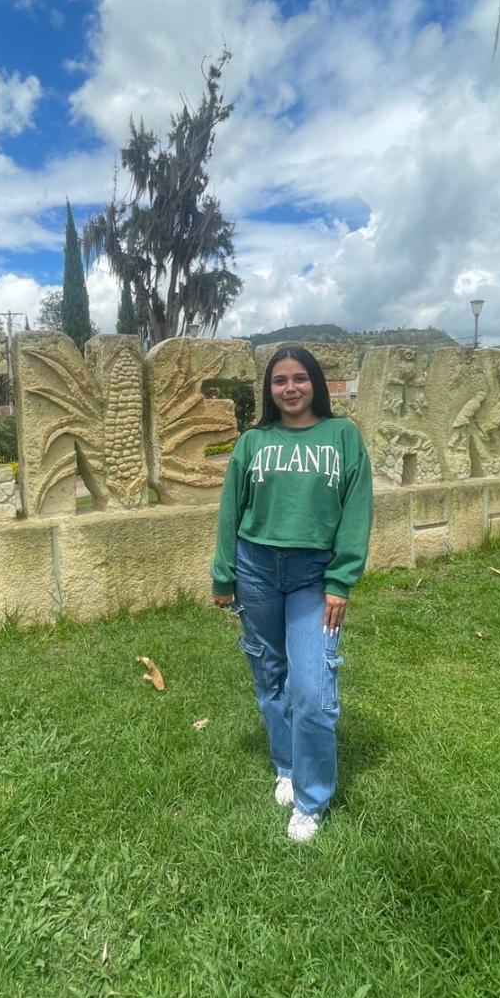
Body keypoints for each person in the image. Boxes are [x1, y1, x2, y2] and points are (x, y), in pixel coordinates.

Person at [211, 347, 374, 843]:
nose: (290, 388)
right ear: (269, 389)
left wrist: (341, 580)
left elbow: (357, 508)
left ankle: (312, 800)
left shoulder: (342, 436)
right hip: (256, 568)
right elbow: (230, 509)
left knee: (312, 691)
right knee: (270, 672)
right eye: (279, 380)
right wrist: (223, 576)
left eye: (299, 378)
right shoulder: (254, 441)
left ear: (315, 383)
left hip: (313, 576)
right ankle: (287, 764)